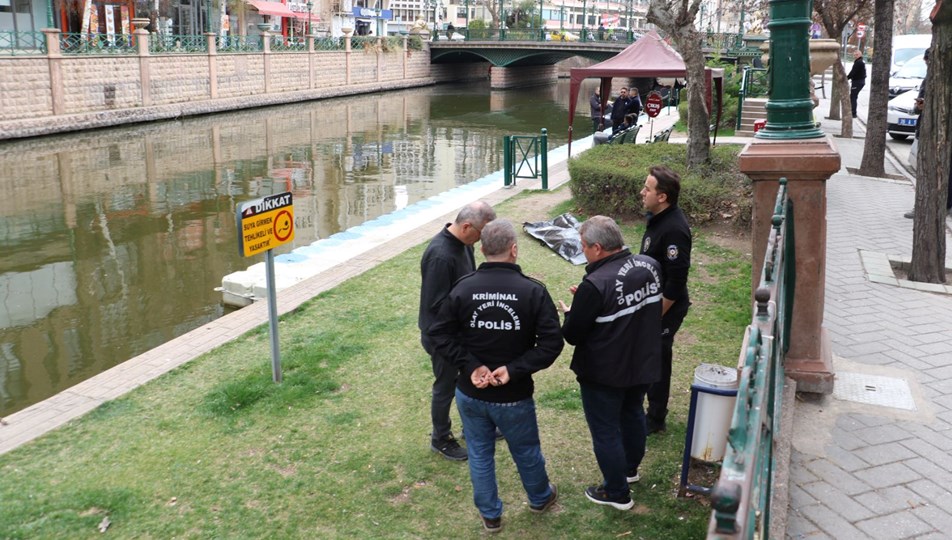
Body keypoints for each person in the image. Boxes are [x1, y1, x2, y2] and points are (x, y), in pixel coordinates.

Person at [428, 219, 563, 533]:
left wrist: (471, 366)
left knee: (479, 453)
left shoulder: (463, 288)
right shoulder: (533, 291)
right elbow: (552, 343)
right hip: (512, 396)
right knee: (525, 449)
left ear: (482, 248)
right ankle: (540, 497)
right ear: (514, 250)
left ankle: (491, 515)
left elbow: (439, 334)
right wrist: (511, 370)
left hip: (471, 392)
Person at [558, 216, 663, 511]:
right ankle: (629, 469)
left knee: (605, 430)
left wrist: (572, 311)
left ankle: (616, 492)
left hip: (604, 372)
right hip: (642, 361)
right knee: (632, 414)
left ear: (598, 248)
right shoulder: (649, 266)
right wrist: (588, 304)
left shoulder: (595, 283)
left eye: (583, 246)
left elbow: (573, 334)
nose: (582, 251)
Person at [419, 200, 497, 461]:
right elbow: (436, 304)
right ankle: (440, 439)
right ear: (466, 226)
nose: (483, 242)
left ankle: (471, 427)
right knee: (446, 386)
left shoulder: (466, 244)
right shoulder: (440, 256)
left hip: (462, 331)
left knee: (467, 379)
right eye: (481, 234)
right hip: (442, 336)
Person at [639, 166, 692, 435]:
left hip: (666, 308)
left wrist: (656, 314)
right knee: (646, 354)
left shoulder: (674, 230)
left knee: (658, 357)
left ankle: (656, 417)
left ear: (662, 197)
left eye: (647, 189)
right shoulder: (657, 219)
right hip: (650, 304)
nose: (642, 192)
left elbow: (676, 280)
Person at [904, 48, 952, 219]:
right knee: (927, 169)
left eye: (928, 62)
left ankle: (942, 206)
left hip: (941, 133)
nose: (928, 65)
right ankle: (930, 206)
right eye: (926, 62)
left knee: (940, 170)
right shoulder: (928, 79)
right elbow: (919, 106)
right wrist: (920, 106)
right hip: (927, 129)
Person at [846, 49, 866, 119]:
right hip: (859, 81)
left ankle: (853, 113)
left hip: (857, 82)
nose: (855, 56)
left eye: (857, 54)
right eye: (854, 55)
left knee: (853, 97)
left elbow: (853, 72)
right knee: (854, 96)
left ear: (860, 55)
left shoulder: (859, 63)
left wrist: (846, 78)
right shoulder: (859, 62)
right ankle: (853, 112)